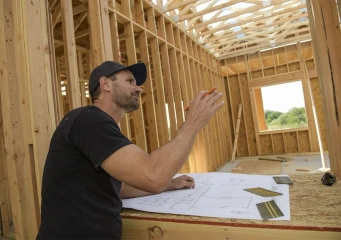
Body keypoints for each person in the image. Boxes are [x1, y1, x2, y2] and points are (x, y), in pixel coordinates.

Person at [37, 61, 225, 240]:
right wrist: (192, 123)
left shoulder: (97, 124)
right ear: (105, 84)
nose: (138, 88)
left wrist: (169, 184)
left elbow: (118, 187)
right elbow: (153, 175)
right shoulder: (90, 121)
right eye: (130, 81)